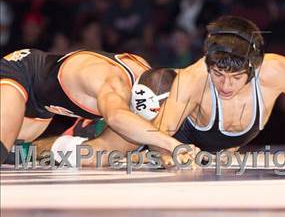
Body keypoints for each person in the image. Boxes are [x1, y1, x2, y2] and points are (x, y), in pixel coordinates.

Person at [50, 16, 285, 168]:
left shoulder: (277, 71)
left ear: (254, 68)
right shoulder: (195, 77)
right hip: (162, 95)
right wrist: (171, 154)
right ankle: (54, 145)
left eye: (235, 77)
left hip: (209, 140)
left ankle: (80, 132)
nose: (224, 85)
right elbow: (161, 140)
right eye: (218, 75)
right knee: (119, 150)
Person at [0, 49, 185, 165]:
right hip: (21, 73)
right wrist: (172, 144)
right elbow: (116, 118)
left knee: (16, 155)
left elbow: (104, 148)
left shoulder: (150, 77)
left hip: (43, 107)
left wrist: (157, 152)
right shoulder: (114, 82)